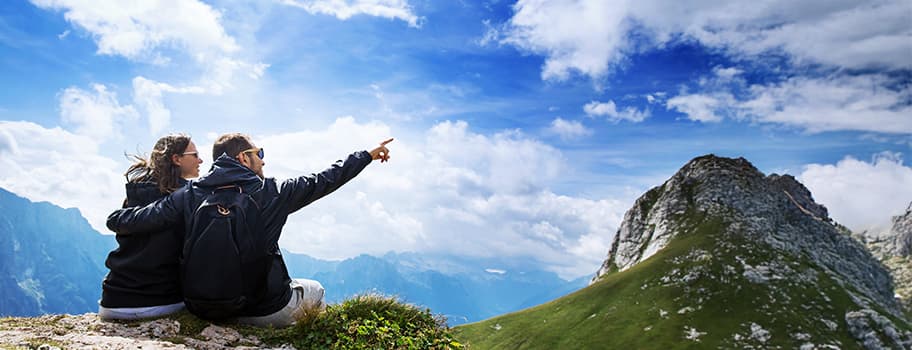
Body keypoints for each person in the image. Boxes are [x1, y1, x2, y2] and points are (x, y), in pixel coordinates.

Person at [107, 133, 392, 327]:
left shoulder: (190, 192)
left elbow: (143, 218)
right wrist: (366, 155)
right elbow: (327, 178)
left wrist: (116, 217)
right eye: (260, 153)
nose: (264, 160)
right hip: (262, 308)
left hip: (202, 307)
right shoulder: (275, 192)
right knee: (315, 289)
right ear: (243, 158)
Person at [99, 134, 203, 320]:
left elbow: (115, 221)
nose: (200, 160)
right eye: (195, 154)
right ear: (176, 159)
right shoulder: (188, 199)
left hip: (112, 302)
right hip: (158, 302)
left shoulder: (136, 194)